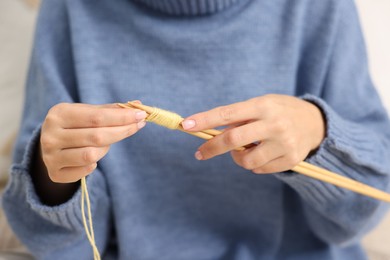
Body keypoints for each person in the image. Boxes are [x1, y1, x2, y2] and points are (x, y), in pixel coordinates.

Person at [3, 0, 390, 259]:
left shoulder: (319, 7)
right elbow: (56, 241)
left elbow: (367, 206)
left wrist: (318, 135)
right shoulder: (69, 9)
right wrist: (53, 178)